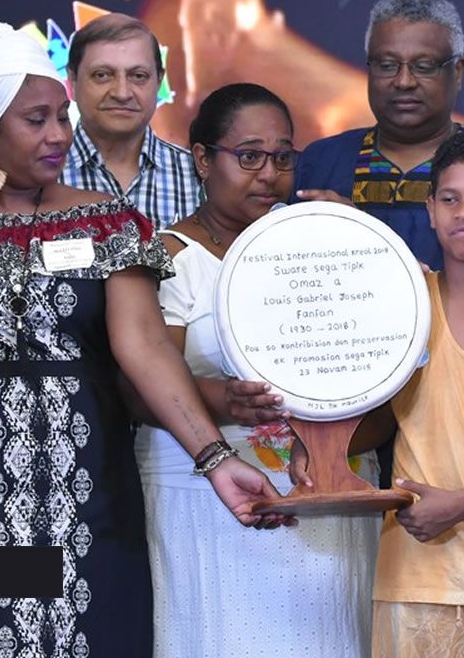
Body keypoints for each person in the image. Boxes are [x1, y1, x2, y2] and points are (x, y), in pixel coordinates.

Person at [0, 21, 284, 658]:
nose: (58, 134)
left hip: (91, 484)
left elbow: (145, 349)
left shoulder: (107, 225)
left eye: (61, 115)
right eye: (35, 120)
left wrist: (216, 460)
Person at [288, 127, 464, 657]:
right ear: (429, 210)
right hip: (417, 567)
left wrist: (458, 505)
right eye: (450, 198)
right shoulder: (403, 302)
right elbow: (357, 403)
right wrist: (312, 447)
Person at [132, 83, 380, 657]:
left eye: (283, 157)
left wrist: (362, 245)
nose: (269, 174)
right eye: (249, 156)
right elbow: (135, 390)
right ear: (201, 158)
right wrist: (222, 400)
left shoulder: (322, 247)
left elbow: (384, 377)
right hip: (206, 502)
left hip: (323, 494)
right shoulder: (167, 257)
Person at [292, 0, 464, 271]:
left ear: (457, 72)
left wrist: (364, 240)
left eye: (424, 66)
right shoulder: (321, 162)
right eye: (387, 65)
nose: (404, 81)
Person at [61, 12, 198, 229]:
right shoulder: (37, 176)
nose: (122, 93)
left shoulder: (198, 176)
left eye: (138, 76)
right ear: (73, 82)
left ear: (159, 81)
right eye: (102, 75)